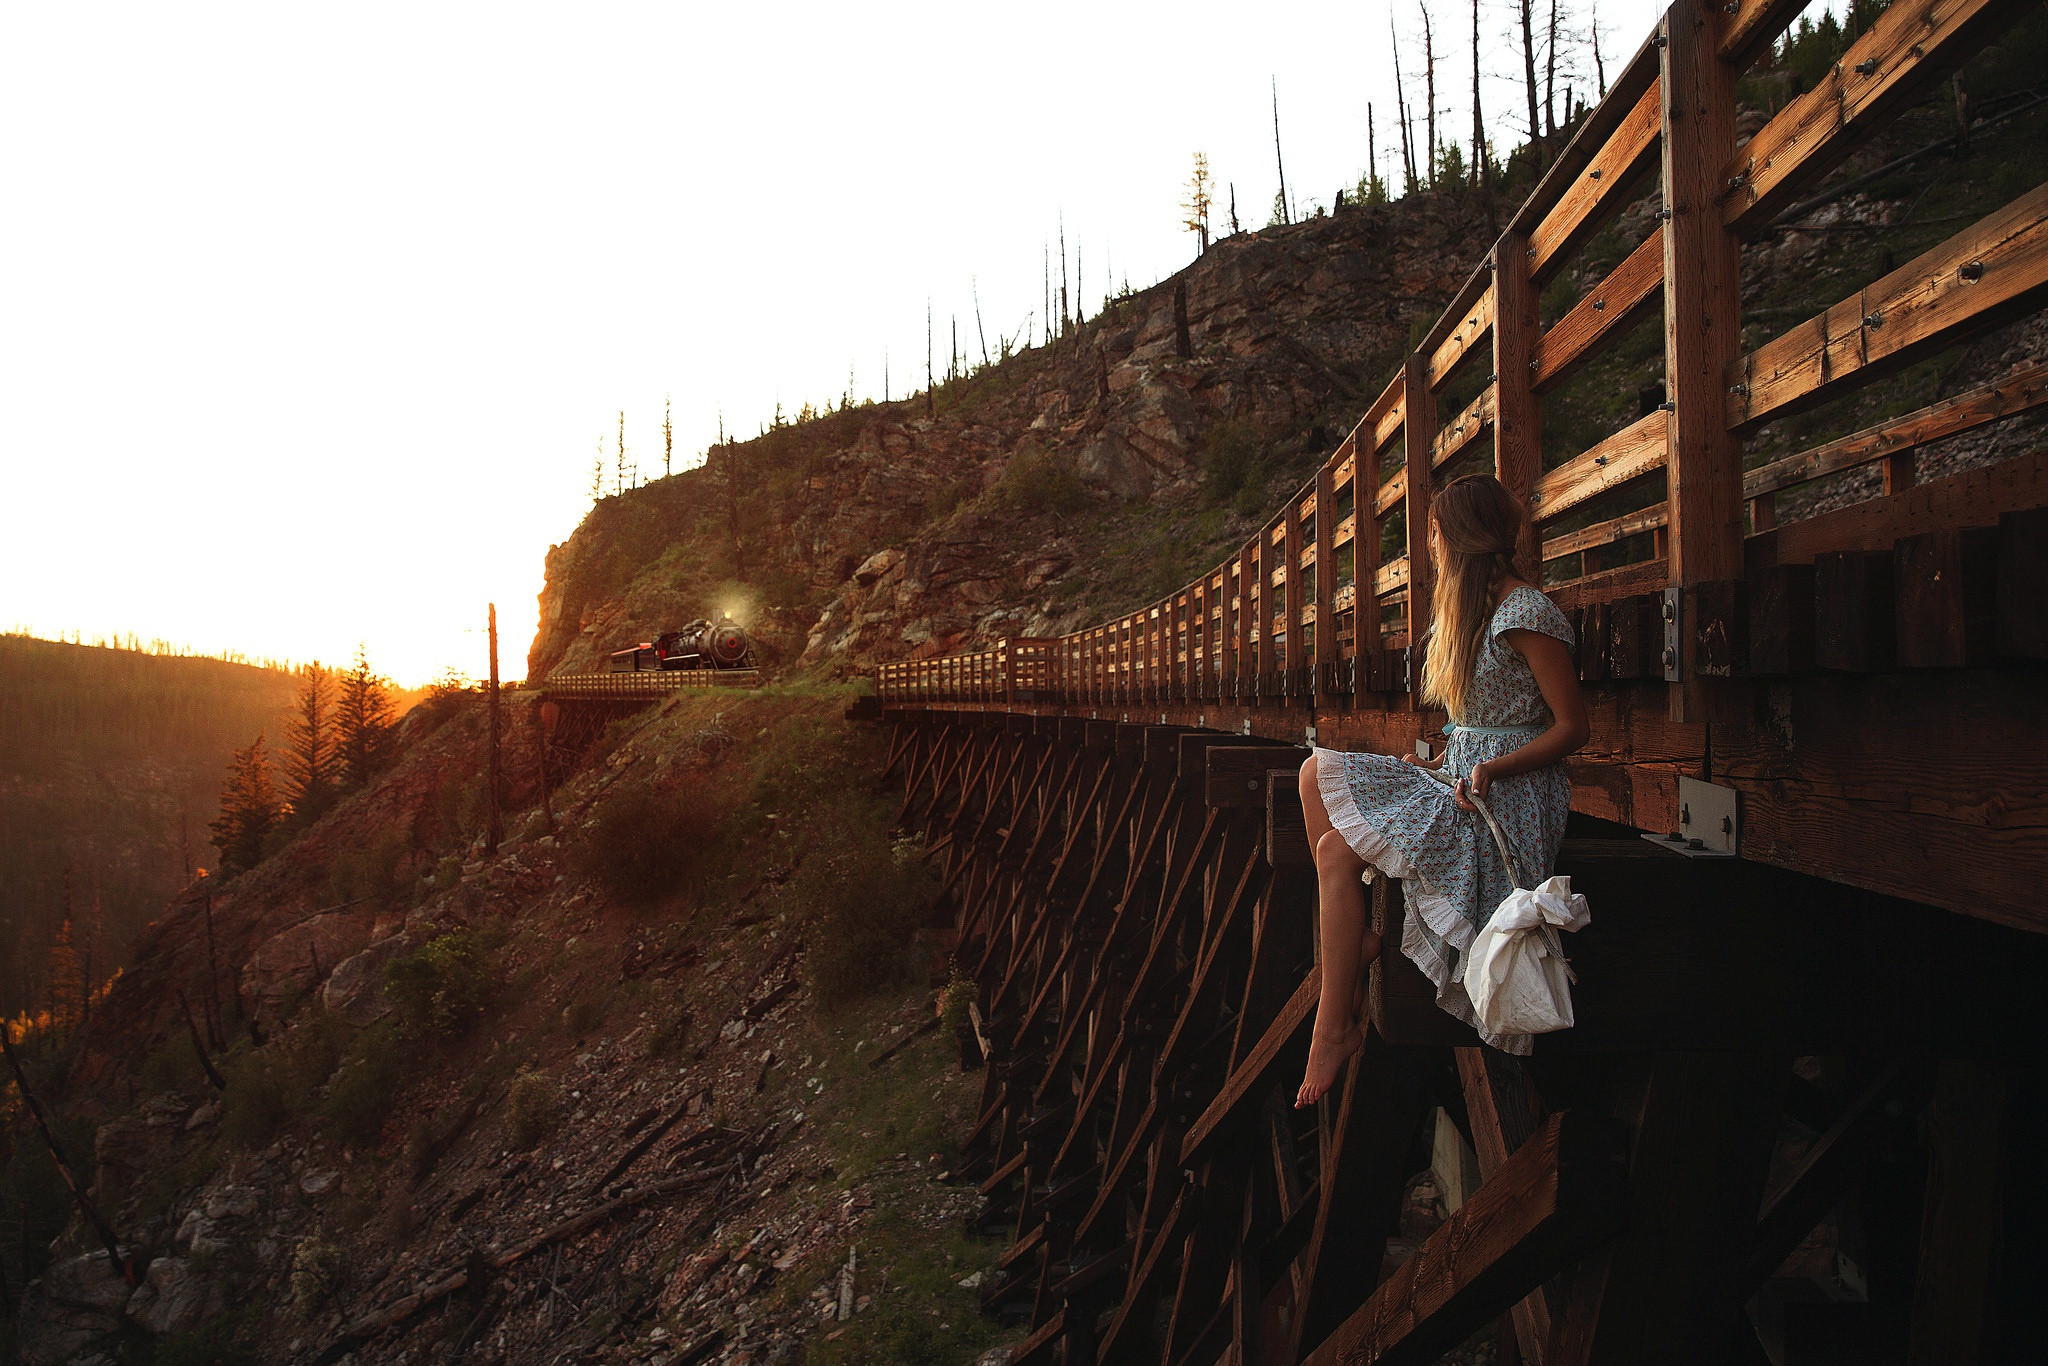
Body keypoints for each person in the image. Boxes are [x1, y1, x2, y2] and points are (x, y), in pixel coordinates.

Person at [1294, 474, 1588, 1107]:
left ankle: (1333, 1021)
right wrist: (1440, 764)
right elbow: (1472, 729)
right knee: (1313, 774)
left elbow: (1571, 729)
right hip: (1463, 779)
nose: (1428, 545)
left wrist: (1494, 769)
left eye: (1432, 533)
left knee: (1334, 854)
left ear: (1458, 537)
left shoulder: (1525, 612)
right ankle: (1352, 950)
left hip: (1507, 804)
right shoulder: (1469, 613)